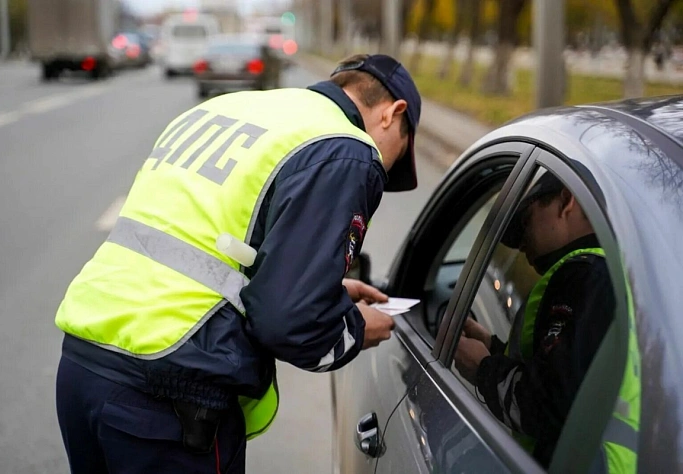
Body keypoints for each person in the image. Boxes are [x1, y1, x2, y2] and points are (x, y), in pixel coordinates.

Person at [53, 53, 421, 473]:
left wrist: (328, 293)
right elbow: (290, 322)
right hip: (169, 397)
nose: (387, 169)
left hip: (84, 364)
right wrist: (354, 328)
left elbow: (214, 244)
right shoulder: (346, 149)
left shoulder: (227, 109)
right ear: (394, 114)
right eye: (401, 152)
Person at [454, 172, 616, 468]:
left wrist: (483, 370)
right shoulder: (608, 273)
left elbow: (547, 407)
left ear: (566, 200)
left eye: (525, 220)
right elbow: (572, 375)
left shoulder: (585, 276)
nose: (520, 245)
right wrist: (493, 345)